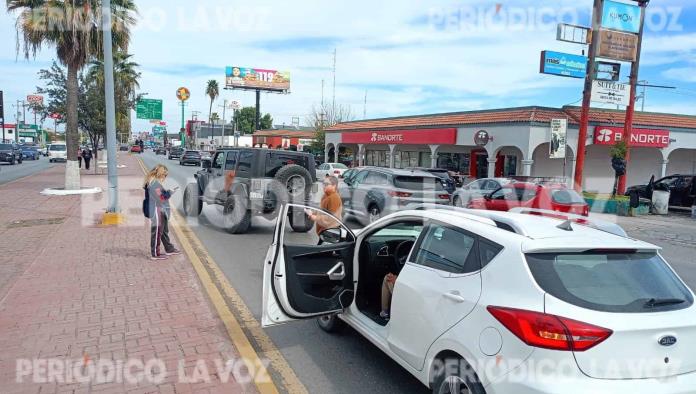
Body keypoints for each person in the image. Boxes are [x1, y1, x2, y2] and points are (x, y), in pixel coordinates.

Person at [144, 164, 181, 260]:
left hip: (160, 209)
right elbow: (161, 198)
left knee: (163, 231)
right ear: (160, 174)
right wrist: (170, 193)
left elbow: (160, 195)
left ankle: (169, 248)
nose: (165, 177)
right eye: (165, 175)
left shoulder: (153, 183)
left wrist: (168, 192)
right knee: (157, 232)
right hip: (157, 210)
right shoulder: (154, 184)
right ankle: (155, 254)